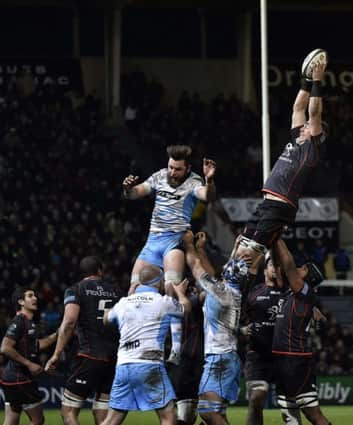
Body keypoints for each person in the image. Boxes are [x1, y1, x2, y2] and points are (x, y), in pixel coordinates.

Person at [122, 145, 215, 368]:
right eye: (171, 167)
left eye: (178, 169)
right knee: (133, 290)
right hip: (152, 241)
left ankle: (174, 350)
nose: (173, 172)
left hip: (174, 241)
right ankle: (135, 342)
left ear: (187, 169)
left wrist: (209, 180)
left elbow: (207, 196)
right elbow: (135, 193)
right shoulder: (159, 176)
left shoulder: (194, 182)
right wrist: (127, 188)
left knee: (172, 290)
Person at [235, 58, 329, 275]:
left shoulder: (312, 148)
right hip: (268, 202)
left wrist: (317, 81)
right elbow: (298, 108)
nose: (304, 125)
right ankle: (226, 283)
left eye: (308, 126)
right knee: (241, 246)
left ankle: (236, 293)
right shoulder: (298, 139)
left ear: (316, 132)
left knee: (251, 255)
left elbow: (314, 112)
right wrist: (305, 82)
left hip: (281, 206)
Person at [101, 265, 191, 425]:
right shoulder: (163, 302)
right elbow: (186, 308)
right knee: (168, 418)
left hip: (123, 366)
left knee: (111, 420)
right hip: (149, 366)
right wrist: (179, 292)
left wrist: (129, 296)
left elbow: (106, 318)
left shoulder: (124, 302)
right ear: (158, 282)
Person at [44, 256, 121, 425]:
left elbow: (70, 321)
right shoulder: (116, 291)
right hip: (114, 358)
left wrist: (56, 354)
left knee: (69, 411)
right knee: (104, 414)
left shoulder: (76, 289)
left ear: (83, 272)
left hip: (89, 356)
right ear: (100, 271)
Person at [183, 230, 243, 425]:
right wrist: (204, 248)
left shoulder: (220, 292)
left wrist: (190, 245)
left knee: (207, 412)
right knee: (218, 413)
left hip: (219, 358)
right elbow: (219, 272)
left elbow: (196, 266)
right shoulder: (232, 291)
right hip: (229, 356)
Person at [271, 238, 331, 425]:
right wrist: (273, 242)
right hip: (281, 357)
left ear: (309, 278)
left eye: (304, 268)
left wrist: (278, 237)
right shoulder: (290, 292)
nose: (299, 267)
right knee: (288, 412)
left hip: (295, 358)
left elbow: (288, 265)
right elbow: (279, 263)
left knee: (312, 413)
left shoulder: (305, 292)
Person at [0, 287, 57, 425]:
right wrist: (29, 364)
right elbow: (5, 348)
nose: (35, 298)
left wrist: (58, 334)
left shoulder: (28, 322)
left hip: (11, 379)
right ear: (21, 301)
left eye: (35, 295)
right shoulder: (19, 321)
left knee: (11, 418)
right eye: (30, 296)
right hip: (21, 379)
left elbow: (37, 345)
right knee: (38, 419)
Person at [168, 232, 208, 425]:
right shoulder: (170, 299)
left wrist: (196, 248)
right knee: (184, 414)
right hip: (183, 359)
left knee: (195, 413)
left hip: (199, 357)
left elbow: (206, 291)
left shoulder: (195, 295)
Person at [242, 251, 285, 425]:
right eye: (271, 265)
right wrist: (243, 329)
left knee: (292, 405)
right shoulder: (254, 292)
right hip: (258, 356)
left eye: (278, 265)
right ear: (265, 269)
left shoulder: (289, 292)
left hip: (285, 356)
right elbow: (237, 316)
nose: (275, 268)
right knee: (256, 399)